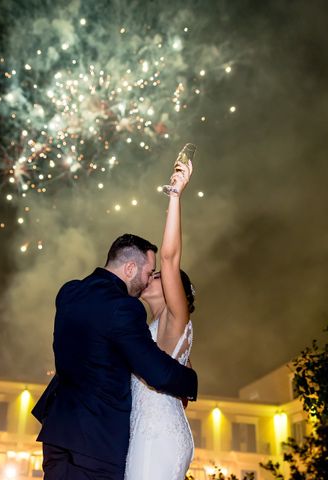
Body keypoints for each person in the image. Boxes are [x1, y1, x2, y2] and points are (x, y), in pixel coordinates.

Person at [32, 233, 198, 480]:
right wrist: (191, 381)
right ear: (130, 268)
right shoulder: (124, 308)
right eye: (148, 272)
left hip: (58, 434)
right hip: (97, 440)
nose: (147, 280)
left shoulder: (69, 292)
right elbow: (156, 371)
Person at [125, 155, 196, 480]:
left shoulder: (174, 317)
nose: (150, 276)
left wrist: (175, 194)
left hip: (157, 435)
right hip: (148, 431)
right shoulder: (148, 327)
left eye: (157, 276)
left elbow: (169, 257)